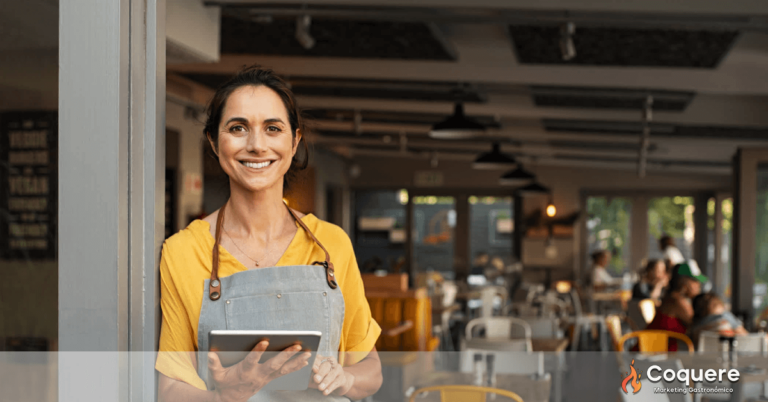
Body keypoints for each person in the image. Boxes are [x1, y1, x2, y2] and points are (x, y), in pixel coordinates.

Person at [155, 67, 382, 402]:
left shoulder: (332, 245)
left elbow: (371, 370)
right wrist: (224, 397)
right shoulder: (183, 252)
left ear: (294, 141)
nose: (256, 145)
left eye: (272, 128)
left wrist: (343, 378)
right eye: (238, 128)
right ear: (214, 143)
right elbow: (171, 390)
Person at [644, 262, 706, 351]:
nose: (699, 285)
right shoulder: (677, 301)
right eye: (695, 281)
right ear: (683, 282)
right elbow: (700, 324)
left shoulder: (671, 297)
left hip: (657, 353)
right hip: (651, 356)